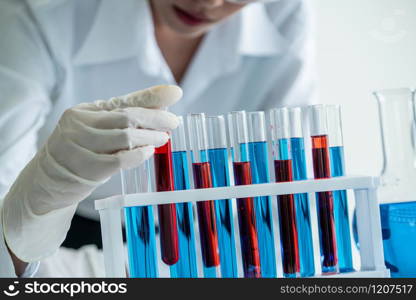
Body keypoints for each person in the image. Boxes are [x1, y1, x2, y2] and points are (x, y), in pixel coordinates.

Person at [0, 0, 316, 277]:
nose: (208, 3)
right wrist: (30, 220)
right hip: (65, 231)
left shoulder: (284, 16)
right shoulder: (41, 13)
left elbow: (289, 196)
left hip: (207, 237)